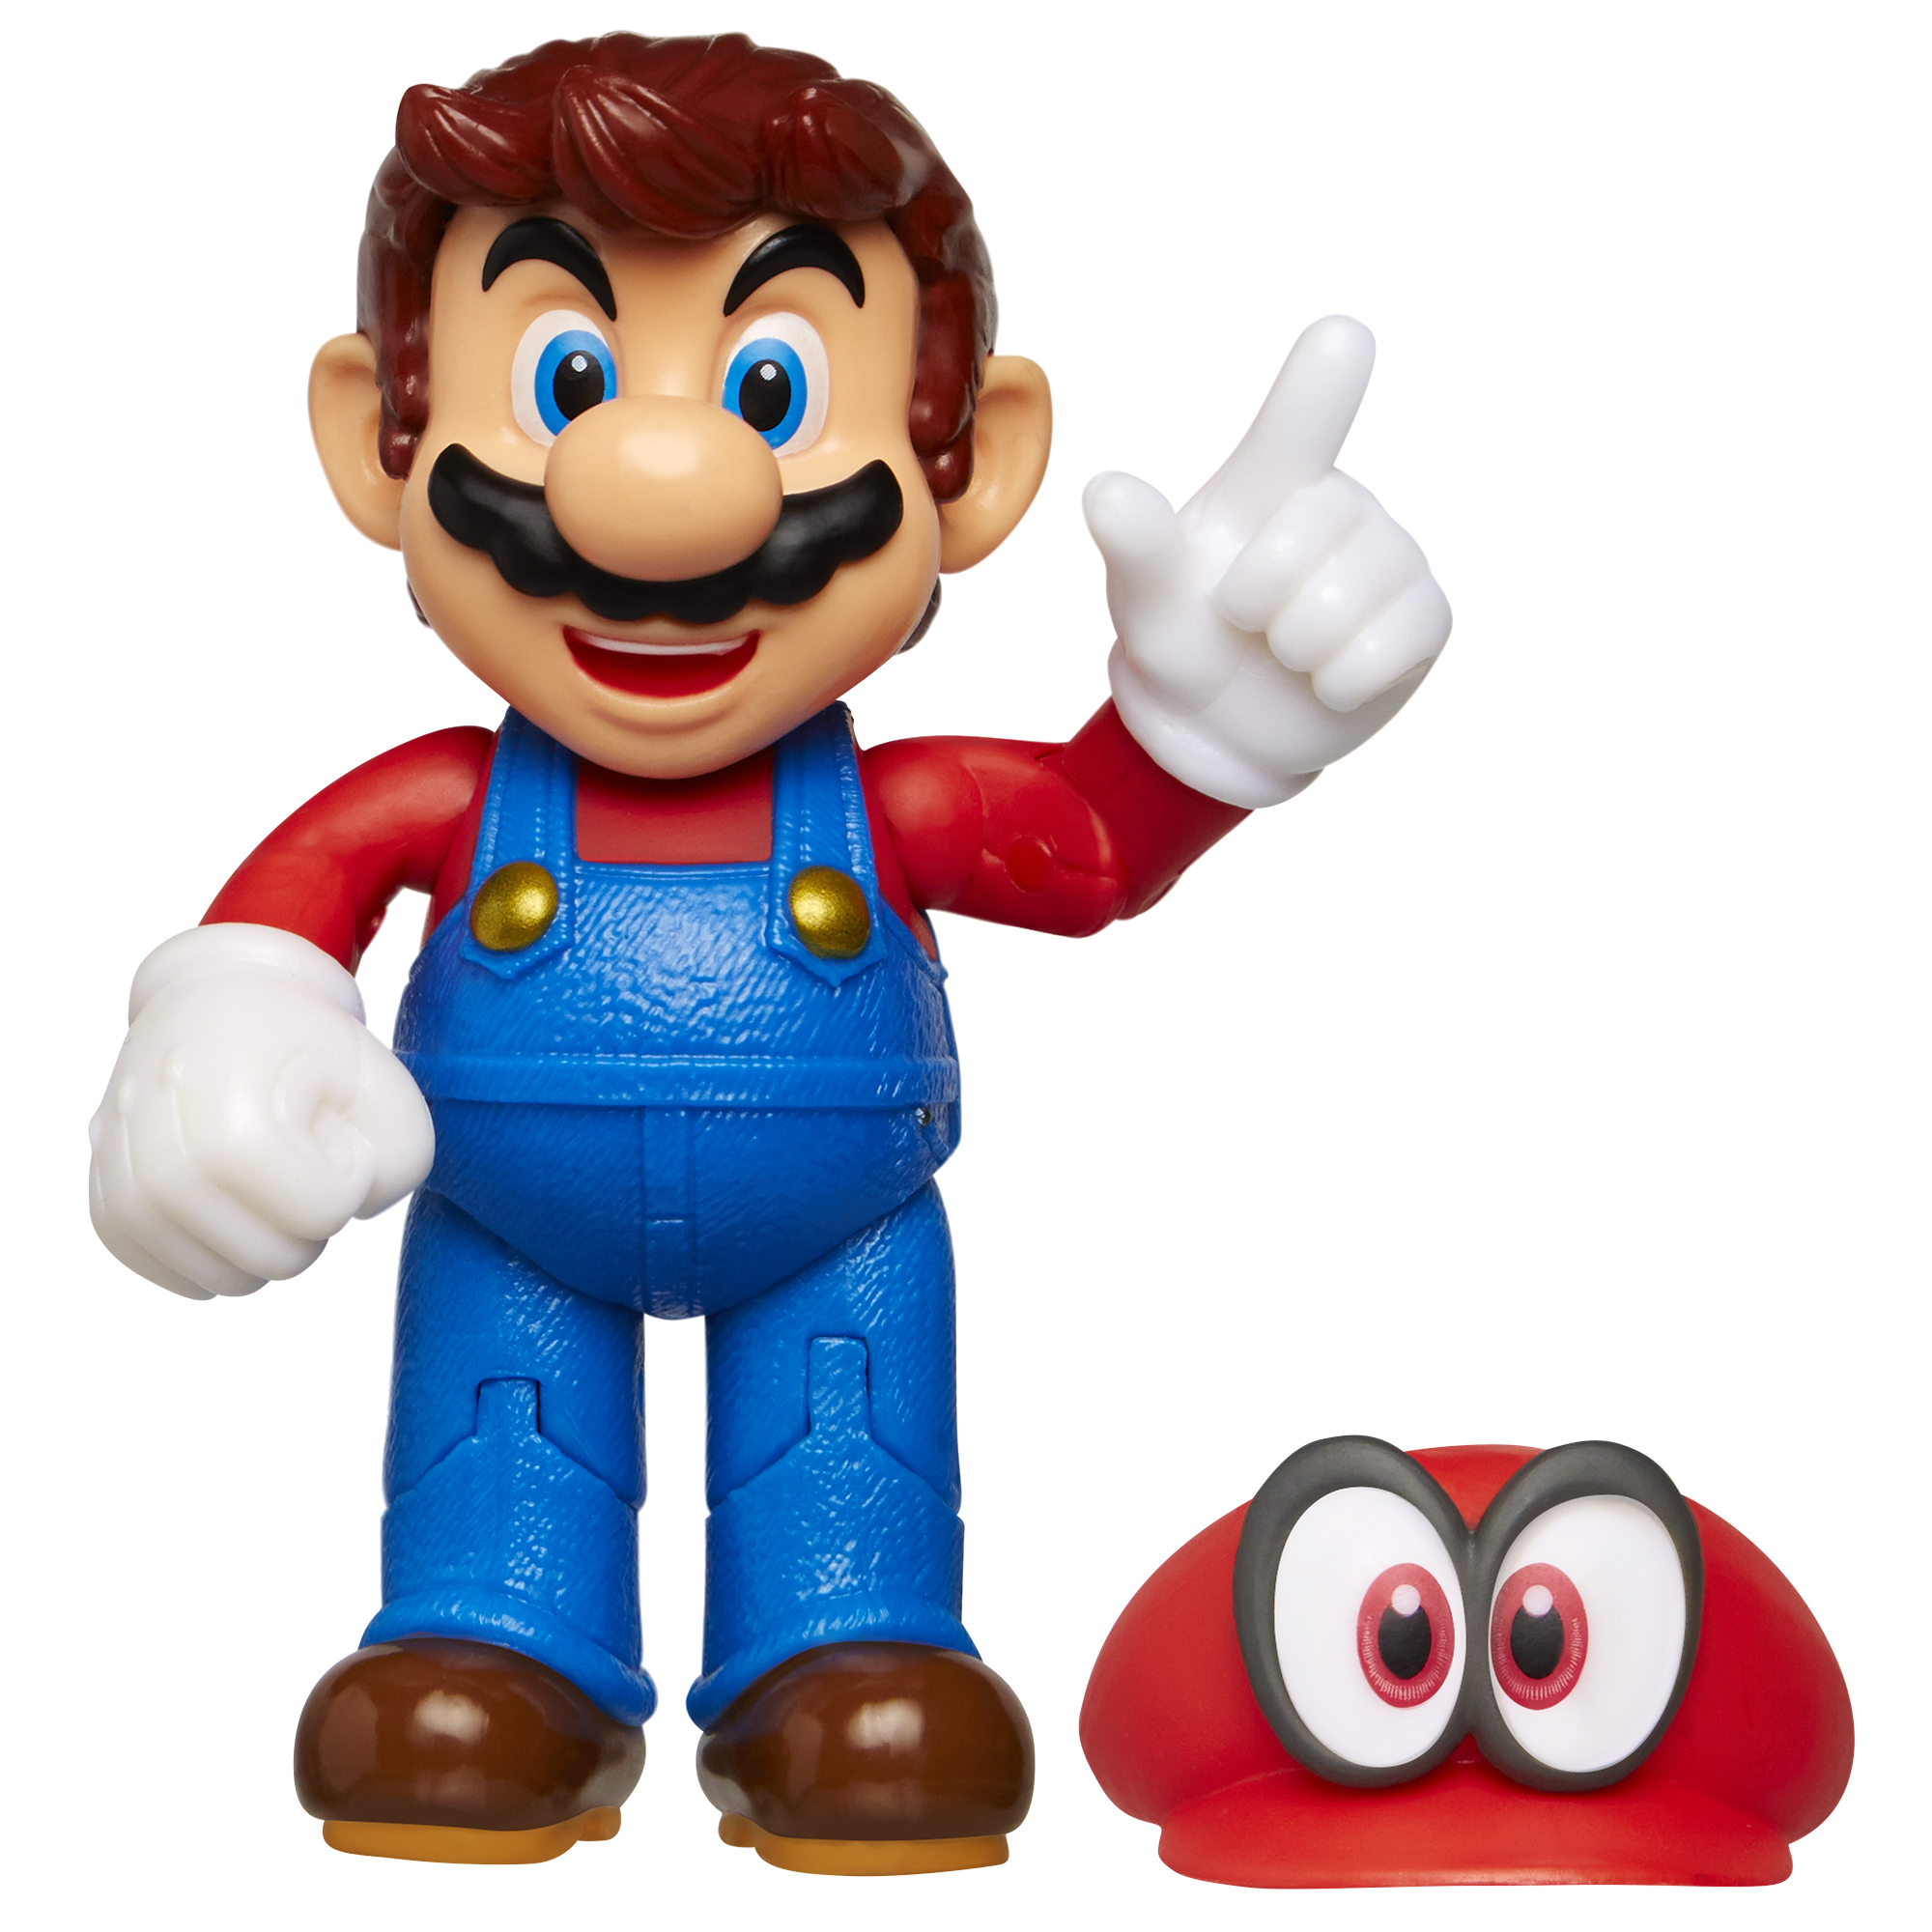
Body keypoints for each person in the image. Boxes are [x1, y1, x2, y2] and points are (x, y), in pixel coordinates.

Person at [87, 30, 1450, 1872]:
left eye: (771, 385)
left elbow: (1092, 846)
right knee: (496, 1443)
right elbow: (287, 912)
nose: (663, 489)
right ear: (376, 440)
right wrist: (225, 1036)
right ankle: (497, 1645)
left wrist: (1209, 728)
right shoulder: (449, 801)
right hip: (507, 1225)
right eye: (569, 380)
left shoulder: (892, 812)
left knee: (851, 1450)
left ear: (972, 465)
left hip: (839, 1235)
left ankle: (846, 1651)